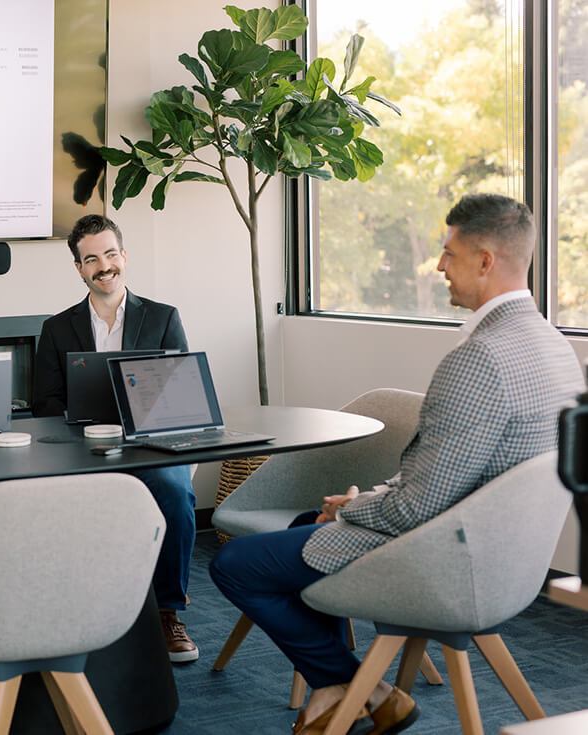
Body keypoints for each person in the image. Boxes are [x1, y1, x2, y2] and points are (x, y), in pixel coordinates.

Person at [210, 194, 586, 734]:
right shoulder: (552, 347)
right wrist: (358, 505)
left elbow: (421, 504)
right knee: (299, 526)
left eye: (449, 253)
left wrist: (356, 506)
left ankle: (358, 687)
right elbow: (455, 475)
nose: (438, 266)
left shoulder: (479, 359)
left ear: (485, 260)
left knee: (236, 564)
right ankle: (341, 693)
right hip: (503, 558)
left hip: (441, 559)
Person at [32, 214, 200, 662]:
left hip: (149, 443)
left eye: (110, 255)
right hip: (82, 448)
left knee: (175, 490)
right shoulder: (56, 328)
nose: (103, 266)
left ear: (123, 257)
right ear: (79, 269)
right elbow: (43, 402)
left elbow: (181, 390)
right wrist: (80, 424)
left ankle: (168, 612)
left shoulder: (164, 318)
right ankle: (75, 613)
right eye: (91, 259)